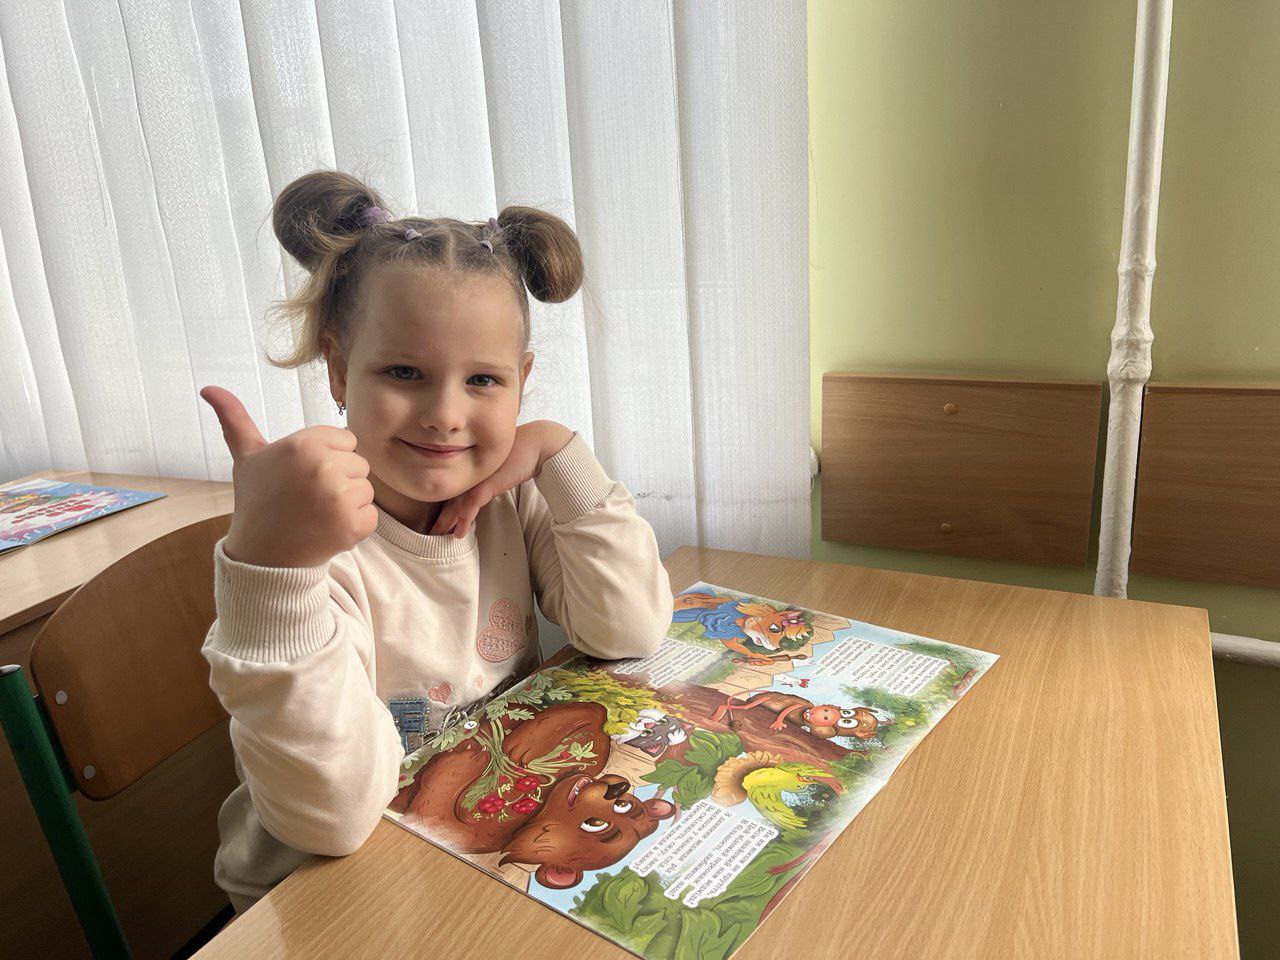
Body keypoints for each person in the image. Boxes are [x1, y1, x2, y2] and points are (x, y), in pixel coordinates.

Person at [199, 170, 672, 912]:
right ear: (337, 370)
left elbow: (628, 630)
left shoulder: (513, 496)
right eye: (404, 372)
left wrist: (558, 452)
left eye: (483, 381)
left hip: (466, 850)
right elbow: (331, 823)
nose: (445, 414)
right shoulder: (306, 552)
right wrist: (271, 568)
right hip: (314, 894)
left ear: (522, 382)